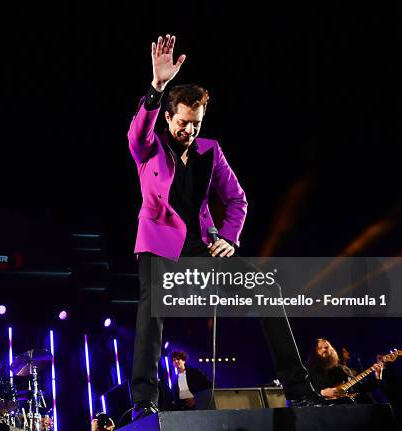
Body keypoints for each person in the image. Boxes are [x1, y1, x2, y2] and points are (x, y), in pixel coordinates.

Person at [128, 34, 323, 419]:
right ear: (169, 117)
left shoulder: (210, 150)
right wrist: (157, 87)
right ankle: (143, 402)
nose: (189, 131)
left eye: (196, 124)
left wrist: (229, 239)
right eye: (183, 123)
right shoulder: (149, 147)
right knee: (151, 314)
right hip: (159, 249)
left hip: (202, 246)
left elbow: (237, 199)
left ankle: (299, 389)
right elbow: (137, 131)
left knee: (267, 289)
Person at [306, 338, 383, 403]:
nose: (324, 350)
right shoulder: (308, 369)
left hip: (346, 408)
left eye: (326, 347)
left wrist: (378, 376)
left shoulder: (341, 369)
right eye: (319, 348)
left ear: (332, 350)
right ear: (314, 352)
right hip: (321, 410)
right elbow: (303, 390)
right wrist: (321, 392)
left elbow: (360, 388)